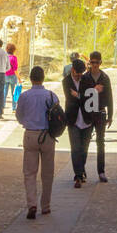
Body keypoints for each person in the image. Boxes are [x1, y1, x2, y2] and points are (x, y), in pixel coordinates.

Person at [15, 65, 61, 219]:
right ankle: (46, 206)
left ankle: (32, 204)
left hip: (31, 135)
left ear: (31, 79)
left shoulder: (24, 96)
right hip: (48, 136)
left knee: (29, 172)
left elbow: (19, 116)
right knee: (48, 173)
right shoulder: (52, 96)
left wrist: (27, 123)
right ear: (43, 78)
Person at [78, 51, 114, 183]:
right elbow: (82, 96)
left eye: (96, 63)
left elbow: (109, 97)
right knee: (85, 142)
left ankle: (101, 171)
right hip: (88, 113)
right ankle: (81, 171)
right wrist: (94, 90)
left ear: (100, 63)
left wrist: (110, 115)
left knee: (100, 143)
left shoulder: (105, 78)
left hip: (100, 112)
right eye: (92, 62)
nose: (94, 65)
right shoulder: (85, 77)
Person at [63, 56, 91, 188]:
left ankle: (81, 170)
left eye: (81, 73)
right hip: (73, 120)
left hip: (86, 119)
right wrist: (81, 97)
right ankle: (78, 175)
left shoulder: (87, 80)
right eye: (77, 73)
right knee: (75, 149)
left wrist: (78, 96)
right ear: (72, 70)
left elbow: (89, 98)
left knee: (84, 149)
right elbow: (70, 98)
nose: (79, 76)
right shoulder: (66, 81)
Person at [5, 43, 19, 113]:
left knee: (4, 92)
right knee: (13, 93)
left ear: (6, 49)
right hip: (13, 76)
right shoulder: (14, 58)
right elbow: (15, 69)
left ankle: (2, 107)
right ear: (13, 50)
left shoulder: (4, 57)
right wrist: (19, 78)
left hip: (5, 76)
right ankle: (14, 108)